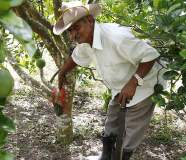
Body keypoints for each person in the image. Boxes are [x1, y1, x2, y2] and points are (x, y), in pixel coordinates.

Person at [53, 1, 166, 160]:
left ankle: (123, 156)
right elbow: (77, 57)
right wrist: (63, 71)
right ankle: (106, 157)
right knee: (111, 125)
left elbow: (150, 55)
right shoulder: (86, 41)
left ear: (90, 21)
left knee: (130, 133)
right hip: (120, 87)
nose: (73, 35)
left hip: (144, 85)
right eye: (69, 31)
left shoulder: (117, 38)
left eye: (76, 28)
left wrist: (134, 81)